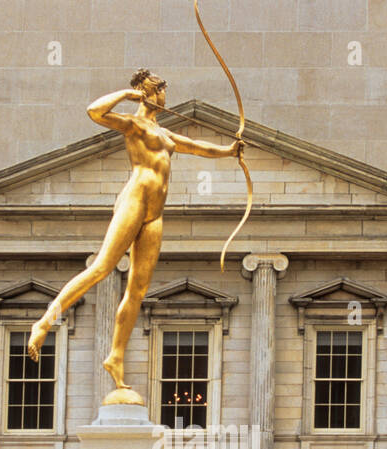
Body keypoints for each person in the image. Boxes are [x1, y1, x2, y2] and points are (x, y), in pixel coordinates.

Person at [25, 68, 244, 394]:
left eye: (163, 91)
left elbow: (197, 146)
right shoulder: (133, 125)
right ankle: (45, 321)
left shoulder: (165, 133)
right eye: (156, 90)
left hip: (155, 214)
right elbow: (95, 111)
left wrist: (228, 151)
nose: (162, 97)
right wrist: (126, 96)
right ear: (143, 92)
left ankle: (115, 356)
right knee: (101, 267)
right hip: (134, 201)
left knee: (138, 290)